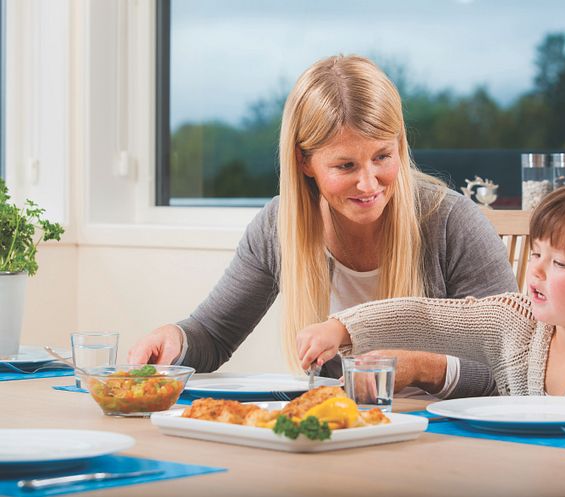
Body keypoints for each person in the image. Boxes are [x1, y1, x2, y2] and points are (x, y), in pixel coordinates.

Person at [128, 54, 518, 399]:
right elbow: (212, 336)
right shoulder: (277, 228)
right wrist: (174, 340)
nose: (368, 184)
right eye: (345, 165)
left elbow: (512, 364)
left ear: (400, 144)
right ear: (304, 162)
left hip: (446, 441)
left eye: (383, 156)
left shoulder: (452, 224)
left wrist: (420, 368)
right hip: (342, 431)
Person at [296, 182, 565, 425]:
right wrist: (342, 327)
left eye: (559, 263)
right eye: (536, 254)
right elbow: (428, 318)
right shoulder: (513, 321)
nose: (536, 271)